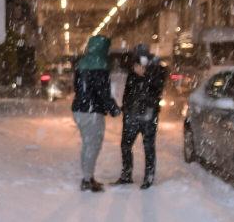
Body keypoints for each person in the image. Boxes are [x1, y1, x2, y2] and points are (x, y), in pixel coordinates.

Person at [114, 44, 169, 189]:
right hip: (131, 115)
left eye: (138, 62)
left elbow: (157, 90)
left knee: (148, 146)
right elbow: (128, 91)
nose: (136, 65)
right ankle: (127, 174)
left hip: (148, 116)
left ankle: (149, 177)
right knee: (125, 145)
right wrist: (125, 107)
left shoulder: (156, 71)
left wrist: (146, 75)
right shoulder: (133, 72)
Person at [71, 35, 120, 192]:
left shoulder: (82, 63)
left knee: (87, 144)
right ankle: (87, 180)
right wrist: (114, 109)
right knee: (93, 145)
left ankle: (87, 176)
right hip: (91, 111)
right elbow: (103, 92)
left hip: (79, 109)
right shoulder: (100, 64)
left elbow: (79, 88)